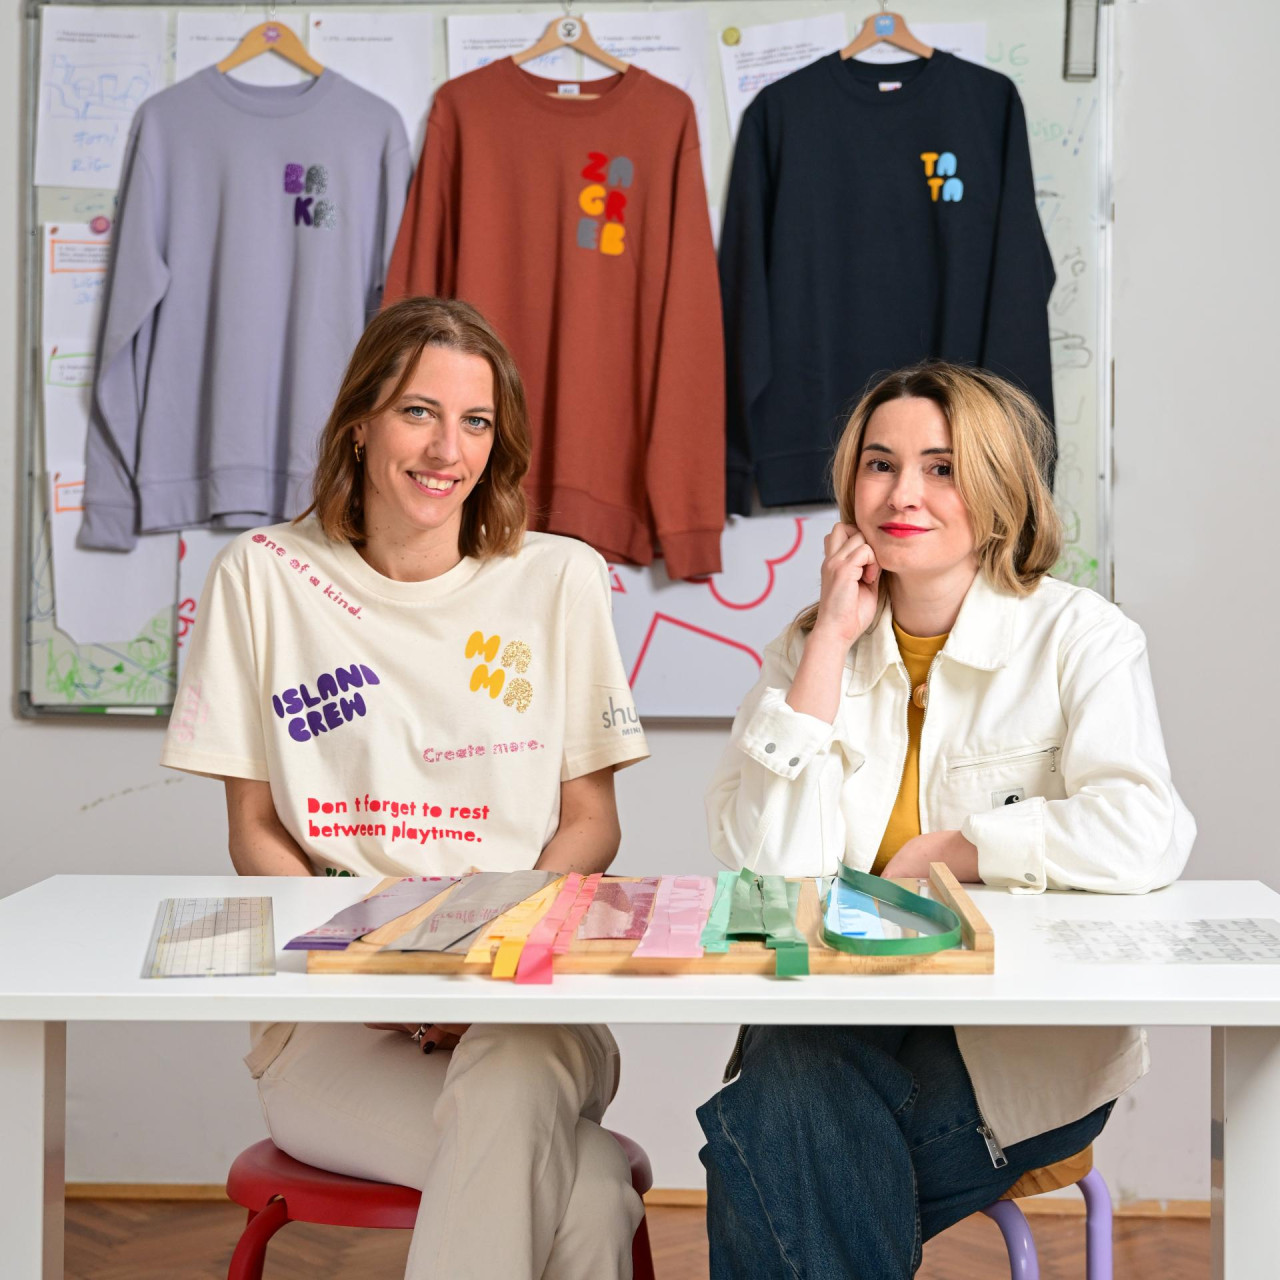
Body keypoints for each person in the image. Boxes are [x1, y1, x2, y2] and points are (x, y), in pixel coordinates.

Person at [161, 297, 649, 1280]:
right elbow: (254, 829)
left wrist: (482, 957)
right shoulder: (262, 575)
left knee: (517, 1071)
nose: (445, 449)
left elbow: (590, 820)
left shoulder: (560, 578)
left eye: (475, 421)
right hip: (331, 1021)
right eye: (418, 411)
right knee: (590, 1189)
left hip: (521, 1004)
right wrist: (380, 975)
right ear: (360, 423)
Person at [700, 361, 1195, 1278]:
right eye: (880, 464)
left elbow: (1145, 829)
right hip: (838, 1021)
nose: (903, 494)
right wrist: (830, 645)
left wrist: (962, 849)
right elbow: (765, 869)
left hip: (1018, 1050)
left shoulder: (1082, 637)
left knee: (768, 1132)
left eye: (941, 468)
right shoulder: (808, 650)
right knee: (787, 1114)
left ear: (998, 488)